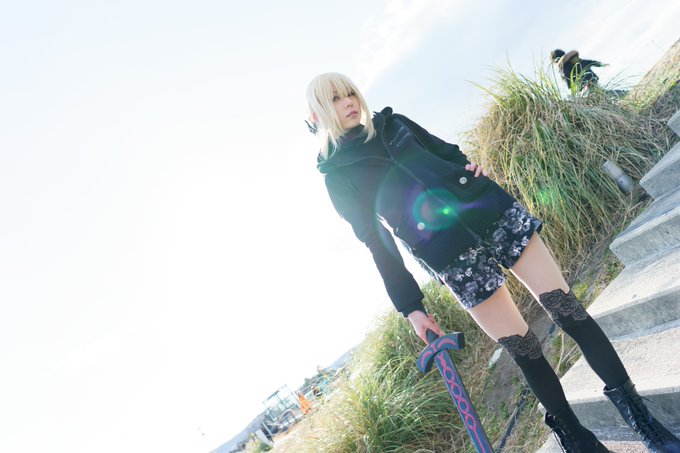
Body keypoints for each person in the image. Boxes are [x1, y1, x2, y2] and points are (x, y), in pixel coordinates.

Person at [306, 72, 680, 453]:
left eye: (349, 92)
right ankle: (580, 444)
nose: (348, 101)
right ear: (319, 113)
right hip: (450, 256)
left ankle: (646, 425)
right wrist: (411, 307)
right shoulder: (339, 177)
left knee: (569, 312)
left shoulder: (394, 123)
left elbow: (447, 153)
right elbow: (377, 241)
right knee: (525, 350)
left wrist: (471, 169)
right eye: (335, 98)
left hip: (492, 212)